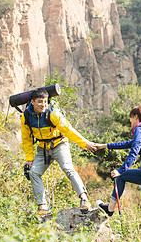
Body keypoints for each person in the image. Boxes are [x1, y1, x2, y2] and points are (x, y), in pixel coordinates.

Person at [21, 88, 96, 216]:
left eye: (45, 102)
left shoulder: (52, 113)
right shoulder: (26, 117)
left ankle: (84, 199)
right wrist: (29, 158)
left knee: (68, 168)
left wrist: (85, 143)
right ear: (32, 102)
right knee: (34, 172)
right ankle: (42, 206)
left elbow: (68, 130)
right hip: (43, 148)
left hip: (59, 144)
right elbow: (26, 139)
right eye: (40, 102)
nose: (43, 105)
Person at [95, 105, 141, 242]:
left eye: (131, 118)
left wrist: (121, 169)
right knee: (122, 177)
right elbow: (128, 144)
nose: (130, 121)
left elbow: (134, 151)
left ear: (136, 117)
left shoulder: (139, 129)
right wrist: (105, 145)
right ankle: (110, 208)